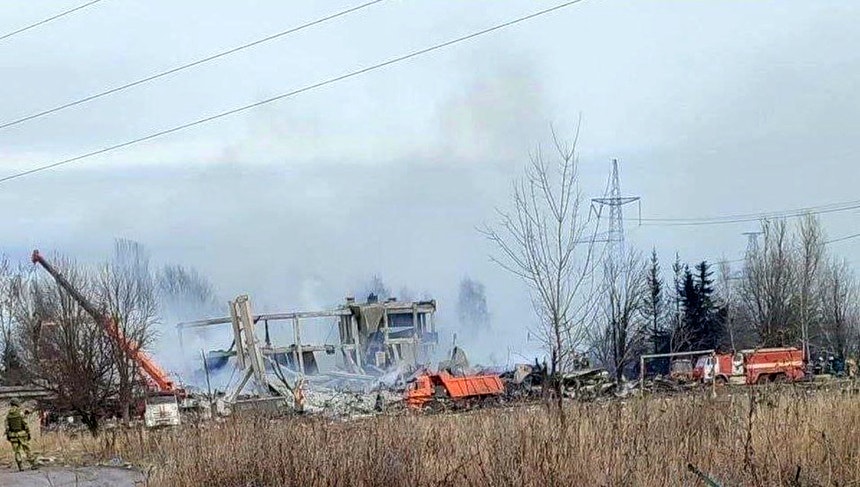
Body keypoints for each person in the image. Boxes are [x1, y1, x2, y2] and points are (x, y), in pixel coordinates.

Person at [5, 399, 38, 471]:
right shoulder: (20, 413)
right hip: (22, 434)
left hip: (13, 435)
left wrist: (8, 435)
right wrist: (28, 432)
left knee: (16, 451)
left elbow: (7, 427)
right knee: (27, 449)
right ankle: (33, 464)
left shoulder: (8, 414)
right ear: (17, 403)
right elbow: (25, 424)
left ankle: (20, 466)